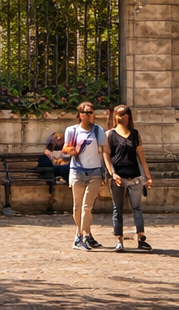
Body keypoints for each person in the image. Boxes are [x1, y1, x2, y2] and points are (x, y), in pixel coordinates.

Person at [61, 102, 114, 251]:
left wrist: (108, 170)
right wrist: (72, 150)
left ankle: (81, 235)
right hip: (77, 171)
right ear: (81, 115)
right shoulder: (72, 130)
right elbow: (65, 148)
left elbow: (104, 150)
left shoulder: (98, 130)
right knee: (77, 207)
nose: (90, 115)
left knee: (87, 206)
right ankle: (84, 235)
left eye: (92, 112)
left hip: (94, 172)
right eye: (87, 112)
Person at [105, 105, 153, 252]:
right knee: (117, 209)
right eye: (119, 114)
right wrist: (112, 173)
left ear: (129, 116)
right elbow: (106, 155)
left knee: (137, 208)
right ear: (115, 116)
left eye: (124, 114)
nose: (122, 117)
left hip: (135, 176)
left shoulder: (135, 134)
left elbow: (141, 156)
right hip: (118, 177)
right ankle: (119, 239)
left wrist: (148, 176)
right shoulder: (109, 134)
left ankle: (141, 237)